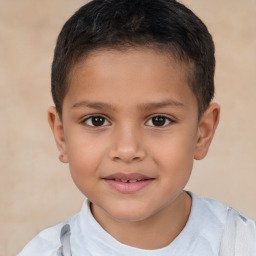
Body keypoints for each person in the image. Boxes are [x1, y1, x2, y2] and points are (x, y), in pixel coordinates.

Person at [18, 0, 256, 255]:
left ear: (203, 132)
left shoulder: (243, 244)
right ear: (62, 135)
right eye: (97, 120)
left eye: (159, 120)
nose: (127, 149)